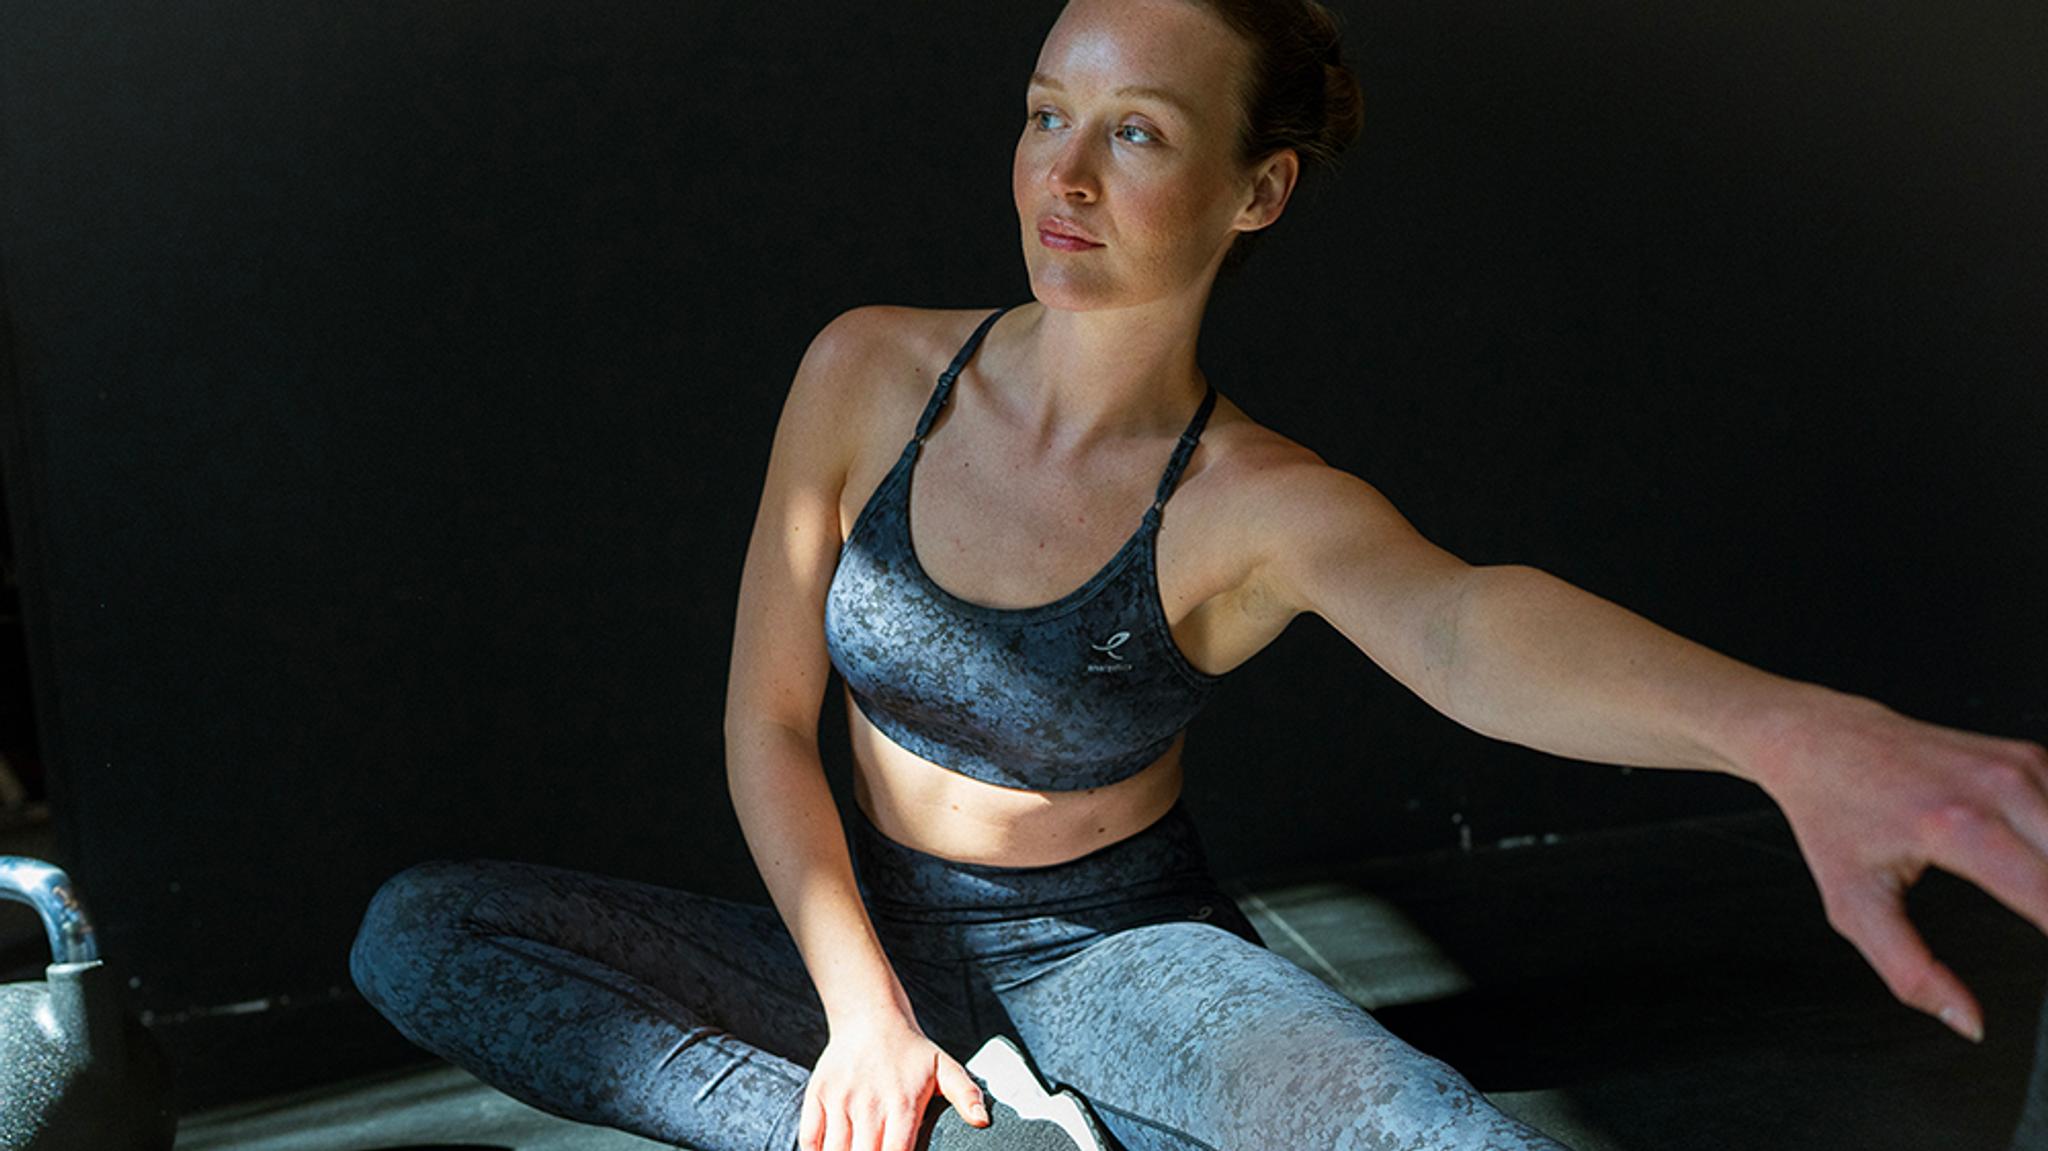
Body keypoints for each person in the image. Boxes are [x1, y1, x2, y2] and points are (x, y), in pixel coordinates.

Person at [348, 1, 2048, 1149]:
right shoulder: (867, 371)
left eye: (1138, 134)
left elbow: (1464, 626)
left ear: (1259, 189)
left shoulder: (1253, 500)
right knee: (424, 936)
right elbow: (765, 727)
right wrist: (865, 1021)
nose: (1062, 177)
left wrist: (1786, 733)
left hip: (1119, 954)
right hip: (847, 935)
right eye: (1044, 114)